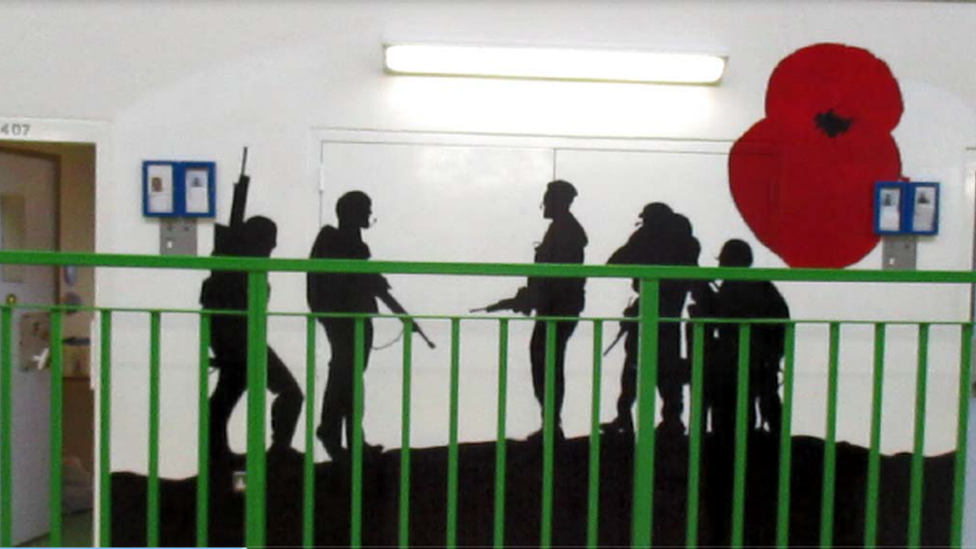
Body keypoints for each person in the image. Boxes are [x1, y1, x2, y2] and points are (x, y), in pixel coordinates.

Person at [307, 190, 433, 460]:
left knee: (346, 377)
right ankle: (340, 434)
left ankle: (344, 435)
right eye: (365, 209)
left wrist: (403, 316)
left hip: (349, 319)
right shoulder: (340, 242)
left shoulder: (342, 242)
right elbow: (371, 285)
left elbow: (372, 285)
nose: (368, 215)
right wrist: (403, 316)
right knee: (347, 377)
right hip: (347, 320)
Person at [200, 155, 303, 465]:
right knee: (290, 393)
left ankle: (218, 452)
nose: (273, 248)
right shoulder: (233, 267)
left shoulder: (236, 266)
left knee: (222, 401)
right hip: (242, 343)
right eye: (270, 241)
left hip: (236, 342)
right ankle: (278, 449)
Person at [481, 180, 587, 440]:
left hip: (557, 309)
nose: (544, 205)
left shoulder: (565, 231)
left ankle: (551, 425)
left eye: (548, 199)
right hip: (555, 308)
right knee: (546, 363)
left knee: (547, 364)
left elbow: (557, 278)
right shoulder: (561, 230)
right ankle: (550, 423)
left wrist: (529, 300)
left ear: (559, 201)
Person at [603, 203, 700, 435]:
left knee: (637, 368)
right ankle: (670, 419)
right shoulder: (686, 243)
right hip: (667, 315)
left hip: (653, 312)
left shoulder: (652, 240)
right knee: (666, 369)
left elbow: (615, 262)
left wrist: (640, 241)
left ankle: (628, 418)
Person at [700, 239, 789, 440]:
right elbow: (782, 320)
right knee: (767, 398)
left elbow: (719, 318)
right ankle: (778, 439)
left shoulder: (733, 287)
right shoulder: (763, 286)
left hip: (739, 358)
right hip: (764, 357)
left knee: (739, 399)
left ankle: (740, 442)